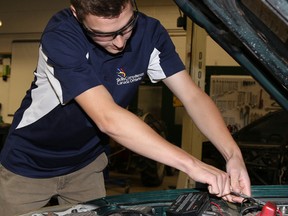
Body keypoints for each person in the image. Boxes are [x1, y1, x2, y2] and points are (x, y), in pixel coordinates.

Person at [0, 0, 251, 215]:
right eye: (104, 34)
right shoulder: (61, 36)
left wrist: (233, 155)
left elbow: (193, 97)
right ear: (77, 14)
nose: (119, 42)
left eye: (127, 27)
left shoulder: (150, 33)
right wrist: (194, 166)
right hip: (29, 163)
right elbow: (108, 118)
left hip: (87, 164)